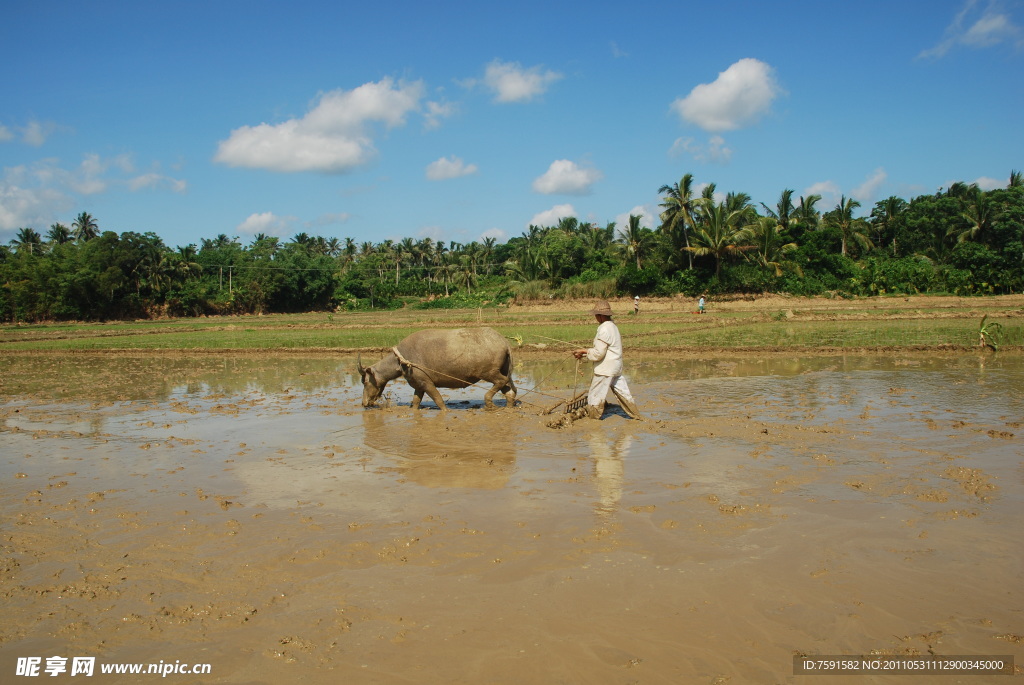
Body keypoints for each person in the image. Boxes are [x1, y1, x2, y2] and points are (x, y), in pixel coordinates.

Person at [573, 300, 640, 420]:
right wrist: (585, 353)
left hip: (605, 370)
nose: (595, 317)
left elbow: (598, 354)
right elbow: (606, 351)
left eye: (596, 315)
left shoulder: (603, 329)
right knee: (624, 394)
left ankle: (594, 420)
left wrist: (584, 351)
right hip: (616, 367)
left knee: (595, 397)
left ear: (600, 316)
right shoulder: (613, 326)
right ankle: (636, 416)